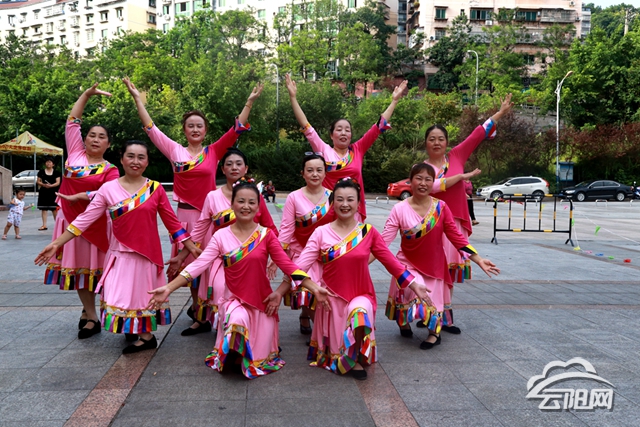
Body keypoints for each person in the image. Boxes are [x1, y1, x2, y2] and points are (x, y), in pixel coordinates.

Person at [148, 180, 329, 379]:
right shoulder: (221, 236)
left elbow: (289, 266)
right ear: (232, 205)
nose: (246, 207)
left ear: (258, 207)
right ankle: (232, 350)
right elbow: (198, 265)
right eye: (241, 201)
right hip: (233, 299)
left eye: (251, 202)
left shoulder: (266, 235)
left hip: (261, 302)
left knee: (257, 358)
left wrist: (314, 288)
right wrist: (168, 288)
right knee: (237, 321)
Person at [35, 140, 199, 353]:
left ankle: (146, 336)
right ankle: (134, 329)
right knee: (119, 295)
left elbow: (173, 223)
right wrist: (56, 243)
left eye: (141, 157)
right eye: (130, 156)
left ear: (147, 162)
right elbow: (84, 220)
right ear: (121, 159)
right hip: (118, 254)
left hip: (146, 255)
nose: (135, 161)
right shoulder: (108, 189)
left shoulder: (155, 188)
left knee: (143, 296)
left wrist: (190, 247)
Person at [123, 77, 263, 325]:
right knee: (189, 265)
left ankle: (217, 310)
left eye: (199, 126)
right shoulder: (174, 150)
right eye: (191, 126)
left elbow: (236, 129)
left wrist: (249, 102)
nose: (195, 129)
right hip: (184, 218)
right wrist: (137, 99)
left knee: (213, 264)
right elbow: (151, 129)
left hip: (211, 218)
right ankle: (199, 313)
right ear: (184, 130)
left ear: (205, 130)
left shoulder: (214, 151)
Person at [289, 179, 431, 380]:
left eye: (350, 199)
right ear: (332, 203)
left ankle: (354, 357)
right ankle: (346, 357)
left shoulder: (368, 232)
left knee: (359, 313)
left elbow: (391, 262)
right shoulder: (320, 233)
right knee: (337, 346)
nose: (345, 204)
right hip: (332, 298)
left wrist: (414, 284)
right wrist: (312, 287)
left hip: (361, 294)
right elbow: (298, 269)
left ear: (358, 203)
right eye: (340, 199)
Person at [419, 94, 513, 334]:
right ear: (426, 143)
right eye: (432, 139)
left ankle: (445, 317)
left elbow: (478, 133)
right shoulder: (421, 169)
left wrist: (500, 113)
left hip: (454, 224)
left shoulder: (457, 156)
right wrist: (458, 178)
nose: (436, 143)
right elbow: (425, 190)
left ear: (447, 142)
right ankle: (429, 312)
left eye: (441, 139)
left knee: (448, 272)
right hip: (429, 225)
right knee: (430, 271)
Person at [381, 164, 500, 349]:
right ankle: (403, 323)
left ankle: (434, 334)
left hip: (435, 266)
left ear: (433, 183)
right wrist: (361, 262)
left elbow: (456, 237)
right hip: (407, 263)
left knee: (432, 302)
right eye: (418, 178)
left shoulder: (441, 207)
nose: (423, 183)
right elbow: (382, 243)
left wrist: (478, 259)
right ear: (410, 181)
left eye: (428, 179)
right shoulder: (399, 209)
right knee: (407, 293)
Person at [166, 148, 278, 336]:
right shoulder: (212, 197)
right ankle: (222, 333)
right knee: (220, 292)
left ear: (246, 168)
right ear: (222, 169)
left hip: (251, 257)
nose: (234, 167)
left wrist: (275, 257)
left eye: (239, 164)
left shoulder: (255, 197)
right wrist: (182, 256)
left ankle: (256, 335)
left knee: (252, 296)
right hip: (222, 259)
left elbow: (270, 227)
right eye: (229, 164)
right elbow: (200, 230)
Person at [43, 84, 120, 337]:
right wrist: (86, 95)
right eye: (91, 135)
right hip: (68, 220)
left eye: (101, 137)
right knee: (78, 269)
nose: (95, 139)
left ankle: (91, 310)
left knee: (95, 269)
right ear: (84, 139)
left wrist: (82, 195)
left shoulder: (111, 170)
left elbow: (109, 195)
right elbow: (72, 122)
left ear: (108, 143)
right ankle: (91, 315)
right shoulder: (75, 154)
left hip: (95, 224)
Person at [285, 75, 407, 220]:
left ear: (350, 135)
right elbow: (306, 125)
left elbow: (378, 126)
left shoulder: (358, 149)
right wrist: (293, 97)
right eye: (339, 129)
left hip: (352, 212)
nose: (343, 133)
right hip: (328, 212)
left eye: (347, 130)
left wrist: (394, 101)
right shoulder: (323, 150)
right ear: (331, 135)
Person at [278, 153, 336, 334]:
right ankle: (323, 334)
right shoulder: (294, 197)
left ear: (325, 173)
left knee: (327, 292)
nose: (315, 174)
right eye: (310, 170)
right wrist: (279, 255)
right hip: (302, 252)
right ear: (302, 173)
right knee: (309, 290)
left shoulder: (334, 197)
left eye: (319, 170)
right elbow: (286, 228)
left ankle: (306, 316)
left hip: (327, 253)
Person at [37, 156, 61, 231]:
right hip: (43, 192)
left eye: (50, 162)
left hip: (53, 192)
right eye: (47, 162)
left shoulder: (56, 172)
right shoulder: (41, 172)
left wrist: (51, 186)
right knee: (44, 209)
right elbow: (38, 181)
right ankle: (44, 225)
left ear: (53, 164)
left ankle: (57, 225)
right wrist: (43, 184)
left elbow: (58, 182)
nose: (48, 163)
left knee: (54, 209)